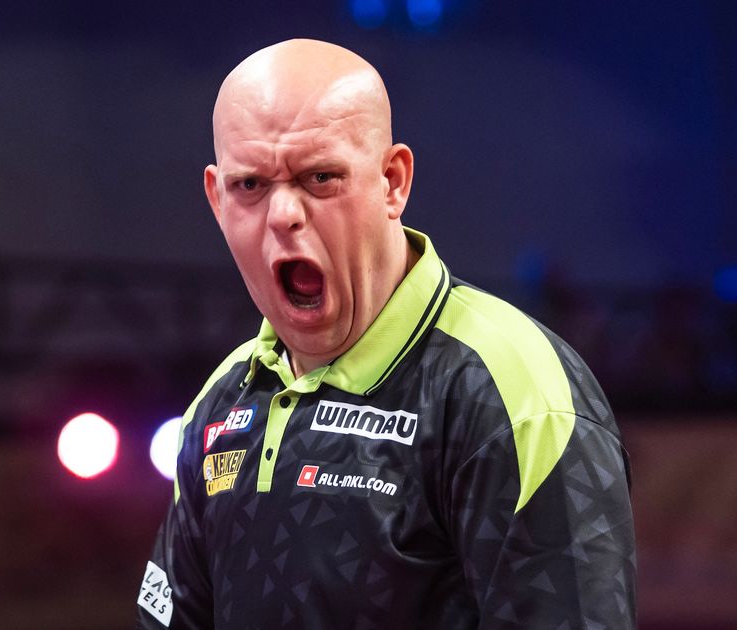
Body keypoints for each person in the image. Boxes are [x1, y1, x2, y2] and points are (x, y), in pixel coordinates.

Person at [137, 39, 636, 629]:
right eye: (250, 186)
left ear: (393, 181)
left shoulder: (514, 391)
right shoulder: (220, 401)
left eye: (320, 177)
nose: (283, 215)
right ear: (217, 199)